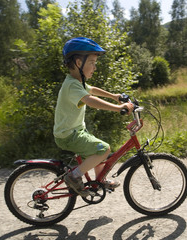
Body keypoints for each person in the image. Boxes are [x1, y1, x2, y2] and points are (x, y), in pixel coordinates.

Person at [54, 37, 134, 197]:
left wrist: (114, 96)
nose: (95, 67)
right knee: (104, 149)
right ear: (78, 63)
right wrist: (118, 108)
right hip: (69, 135)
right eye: (92, 62)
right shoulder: (72, 85)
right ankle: (74, 176)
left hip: (75, 132)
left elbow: (92, 90)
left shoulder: (77, 82)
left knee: (98, 151)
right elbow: (90, 100)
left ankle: (99, 179)